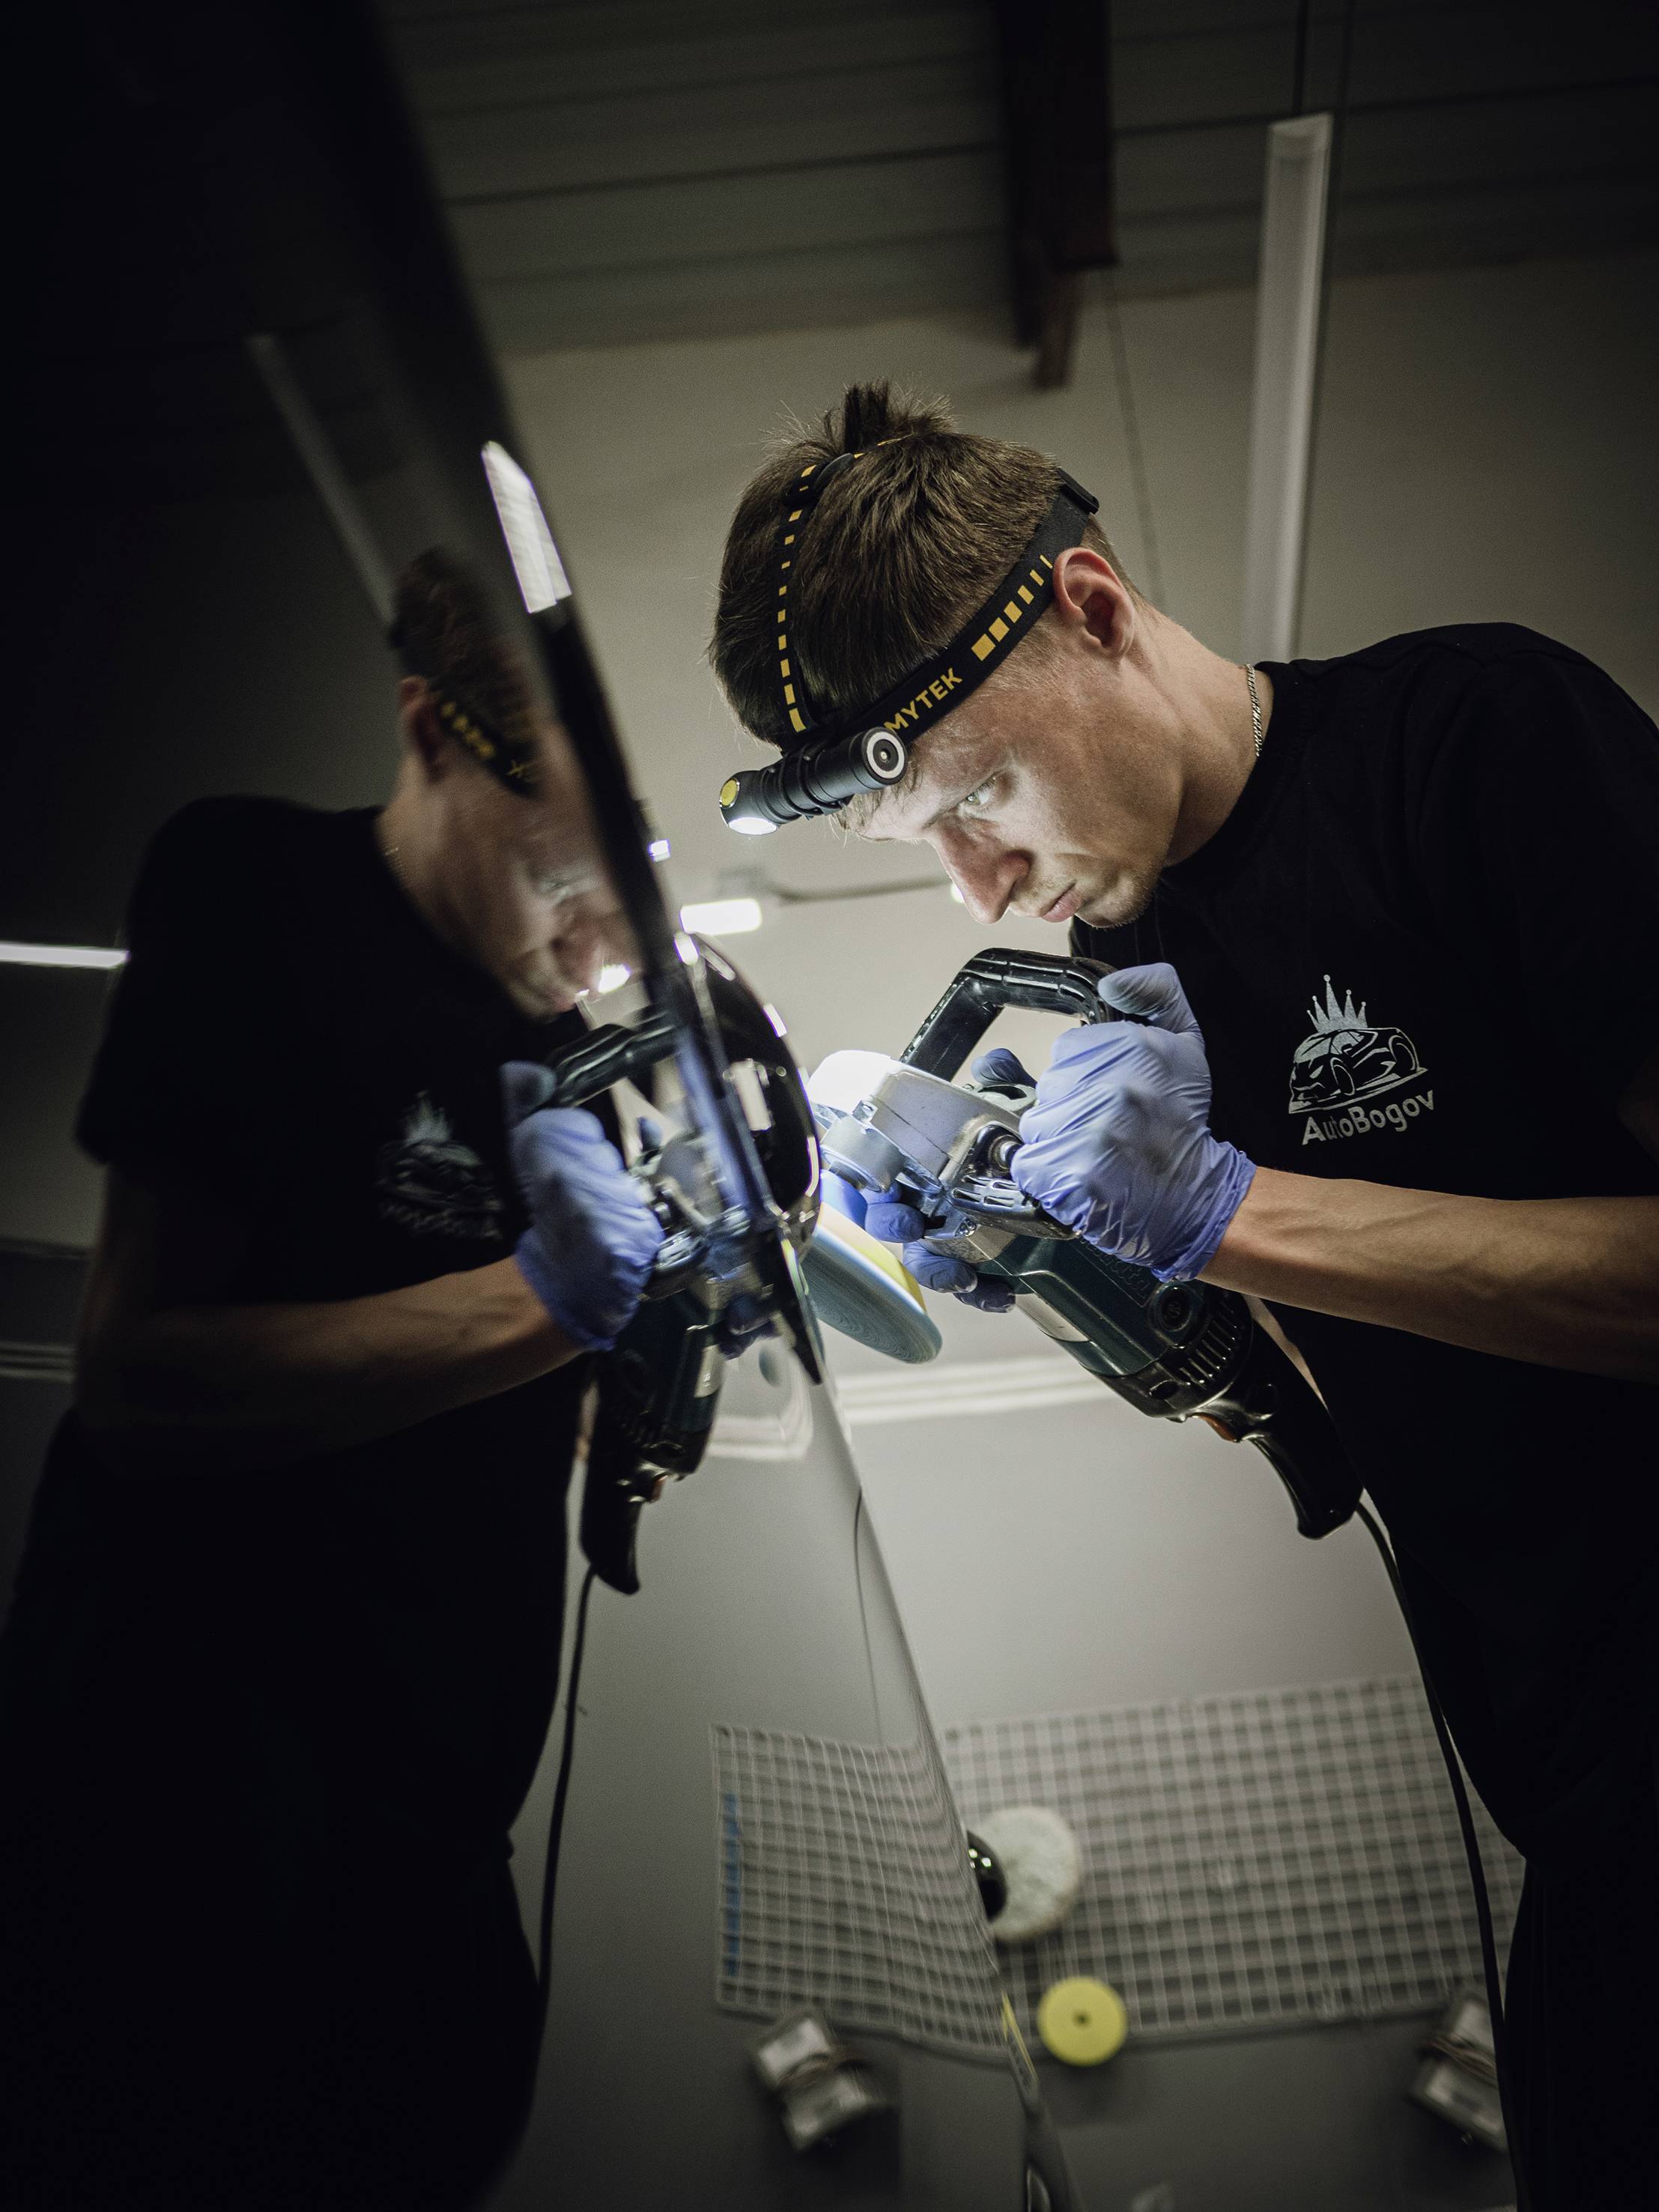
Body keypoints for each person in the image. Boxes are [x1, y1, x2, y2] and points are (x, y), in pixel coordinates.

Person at [709, 383, 1659, 2208]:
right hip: (1568, 1771)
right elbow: (1311, 1357)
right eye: (926, 837)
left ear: (1091, 606)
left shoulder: (1473, 738)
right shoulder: (1122, 951)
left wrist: (1225, 1210)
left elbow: (1279, 1229)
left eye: (979, 789)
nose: (979, 872)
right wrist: (1054, 1255)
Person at [0, 550, 664, 2209]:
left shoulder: (561, 1052)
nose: (595, 942)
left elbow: (543, 1430)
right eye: (559, 876)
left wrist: (659, 1345)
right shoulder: (257, 894)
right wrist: (542, 1307)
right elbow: (143, 1378)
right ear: (431, 735)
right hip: (186, 1808)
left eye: (621, 893)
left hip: (435, 1842)